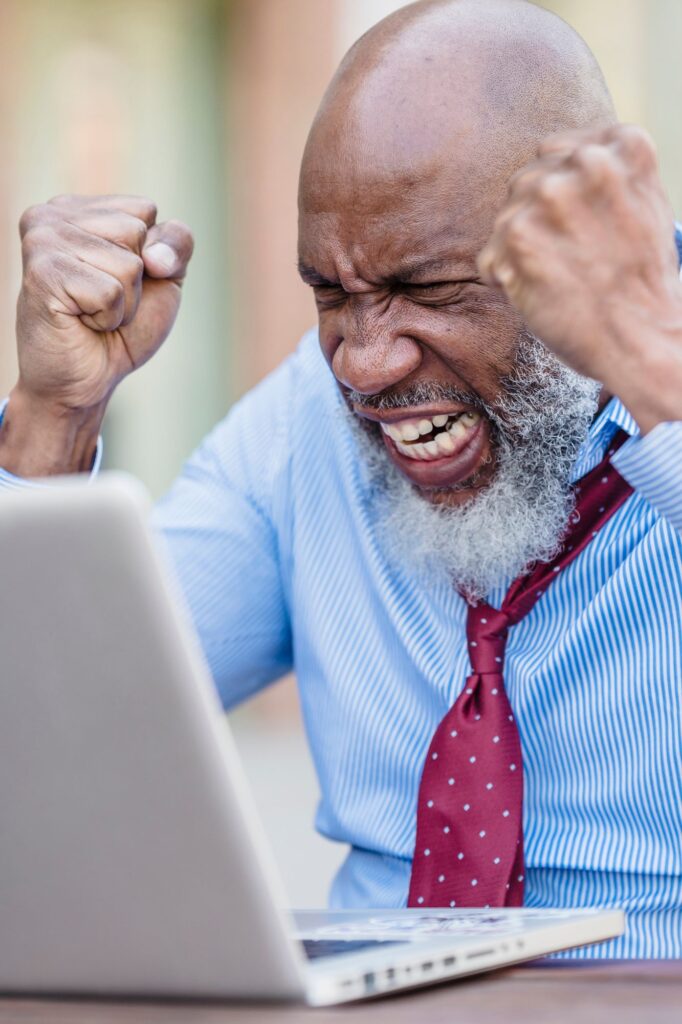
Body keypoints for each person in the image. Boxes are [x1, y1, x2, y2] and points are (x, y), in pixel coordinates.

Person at [1, 0, 681, 957]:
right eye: (332, 295)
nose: (361, 366)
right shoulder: (299, 424)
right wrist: (52, 415)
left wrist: (659, 377)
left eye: (428, 291)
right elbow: (45, 726)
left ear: (573, 241)